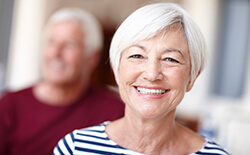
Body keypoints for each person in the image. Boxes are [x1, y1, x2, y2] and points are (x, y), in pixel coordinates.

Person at [53, 3, 231, 155]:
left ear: (192, 77)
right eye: (137, 56)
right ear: (117, 70)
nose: (152, 74)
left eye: (170, 59)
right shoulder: (76, 148)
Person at [0, 8, 125, 155]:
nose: (56, 53)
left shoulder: (115, 111)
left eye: (69, 44)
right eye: (51, 42)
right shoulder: (9, 105)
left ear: (93, 57)